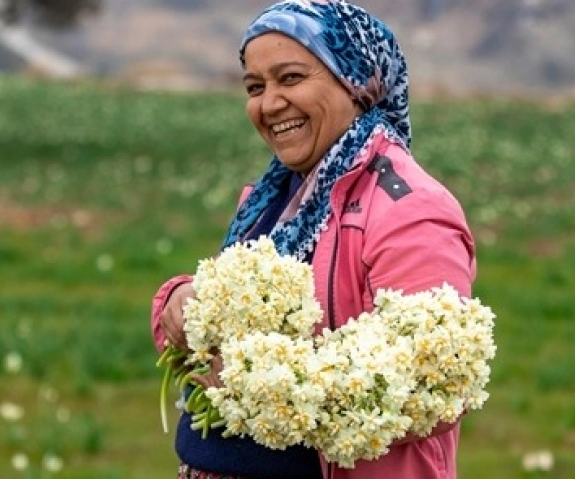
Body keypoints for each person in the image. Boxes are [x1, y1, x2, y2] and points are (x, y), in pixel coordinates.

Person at [150, 1, 476, 478]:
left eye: (291, 78)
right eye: (255, 87)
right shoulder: (274, 196)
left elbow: (436, 383)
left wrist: (270, 387)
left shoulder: (410, 209)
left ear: (357, 82)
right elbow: (231, 322)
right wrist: (179, 302)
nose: (269, 103)